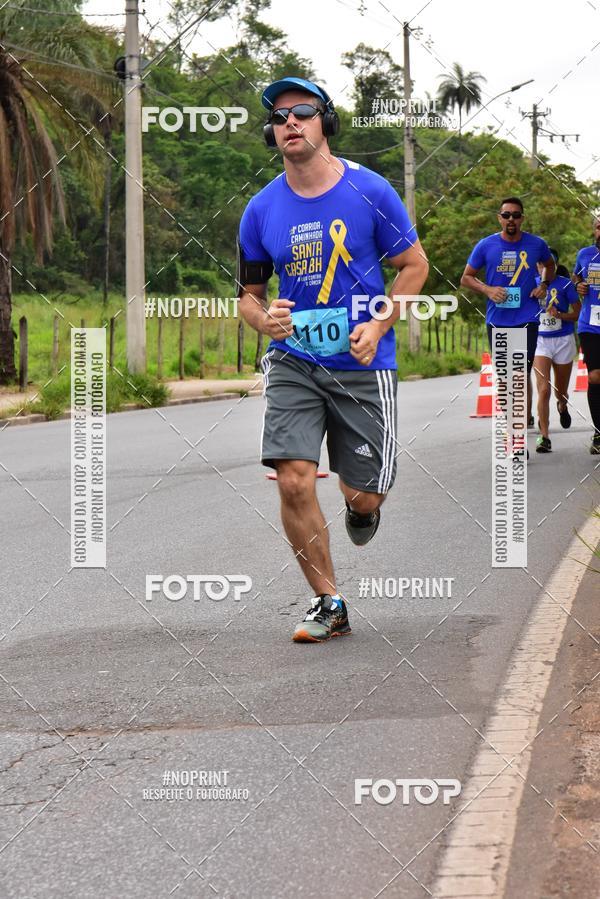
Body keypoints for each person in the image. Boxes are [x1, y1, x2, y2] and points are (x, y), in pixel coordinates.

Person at [237, 76, 429, 642]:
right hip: (294, 360)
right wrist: (264, 318)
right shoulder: (260, 209)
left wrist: (379, 322)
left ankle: (363, 507)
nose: (289, 121)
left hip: (362, 363)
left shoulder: (371, 191)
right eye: (279, 116)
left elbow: (413, 266)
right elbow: (248, 296)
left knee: (364, 491)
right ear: (272, 134)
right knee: (294, 480)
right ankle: (329, 602)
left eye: (303, 111)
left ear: (326, 123)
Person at [461, 197, 556, 455]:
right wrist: (488, 289)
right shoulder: (486, 245)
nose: (511, 219)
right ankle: (513, 435)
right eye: (506, 215)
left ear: (522, 218)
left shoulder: (537, 244)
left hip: (527, 319)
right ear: (499, 218)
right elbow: (466, 278)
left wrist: (544, 285)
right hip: (498, 321)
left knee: (518, 379)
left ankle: (517, 438)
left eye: (516, 215)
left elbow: (550, 265)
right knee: (505, 381)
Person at [532, 250, 581, 453]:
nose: (543, 268)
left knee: (560, 391)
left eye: (547, 264)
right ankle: (544, 436)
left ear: (553, 265)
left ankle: (562, 404)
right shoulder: (530, 282)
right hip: (540, 341)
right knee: (543, 390)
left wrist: (559, 314)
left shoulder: (565, 284)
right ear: (536, 266)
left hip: (563, 340)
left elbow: (577, 313)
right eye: (540, 264)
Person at [573, 218, 600, 455]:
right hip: (590, 325)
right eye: (599, 226)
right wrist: (579, 286)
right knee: (595, 377)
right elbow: (576, 278)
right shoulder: (585, 254)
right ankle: (599, 431)